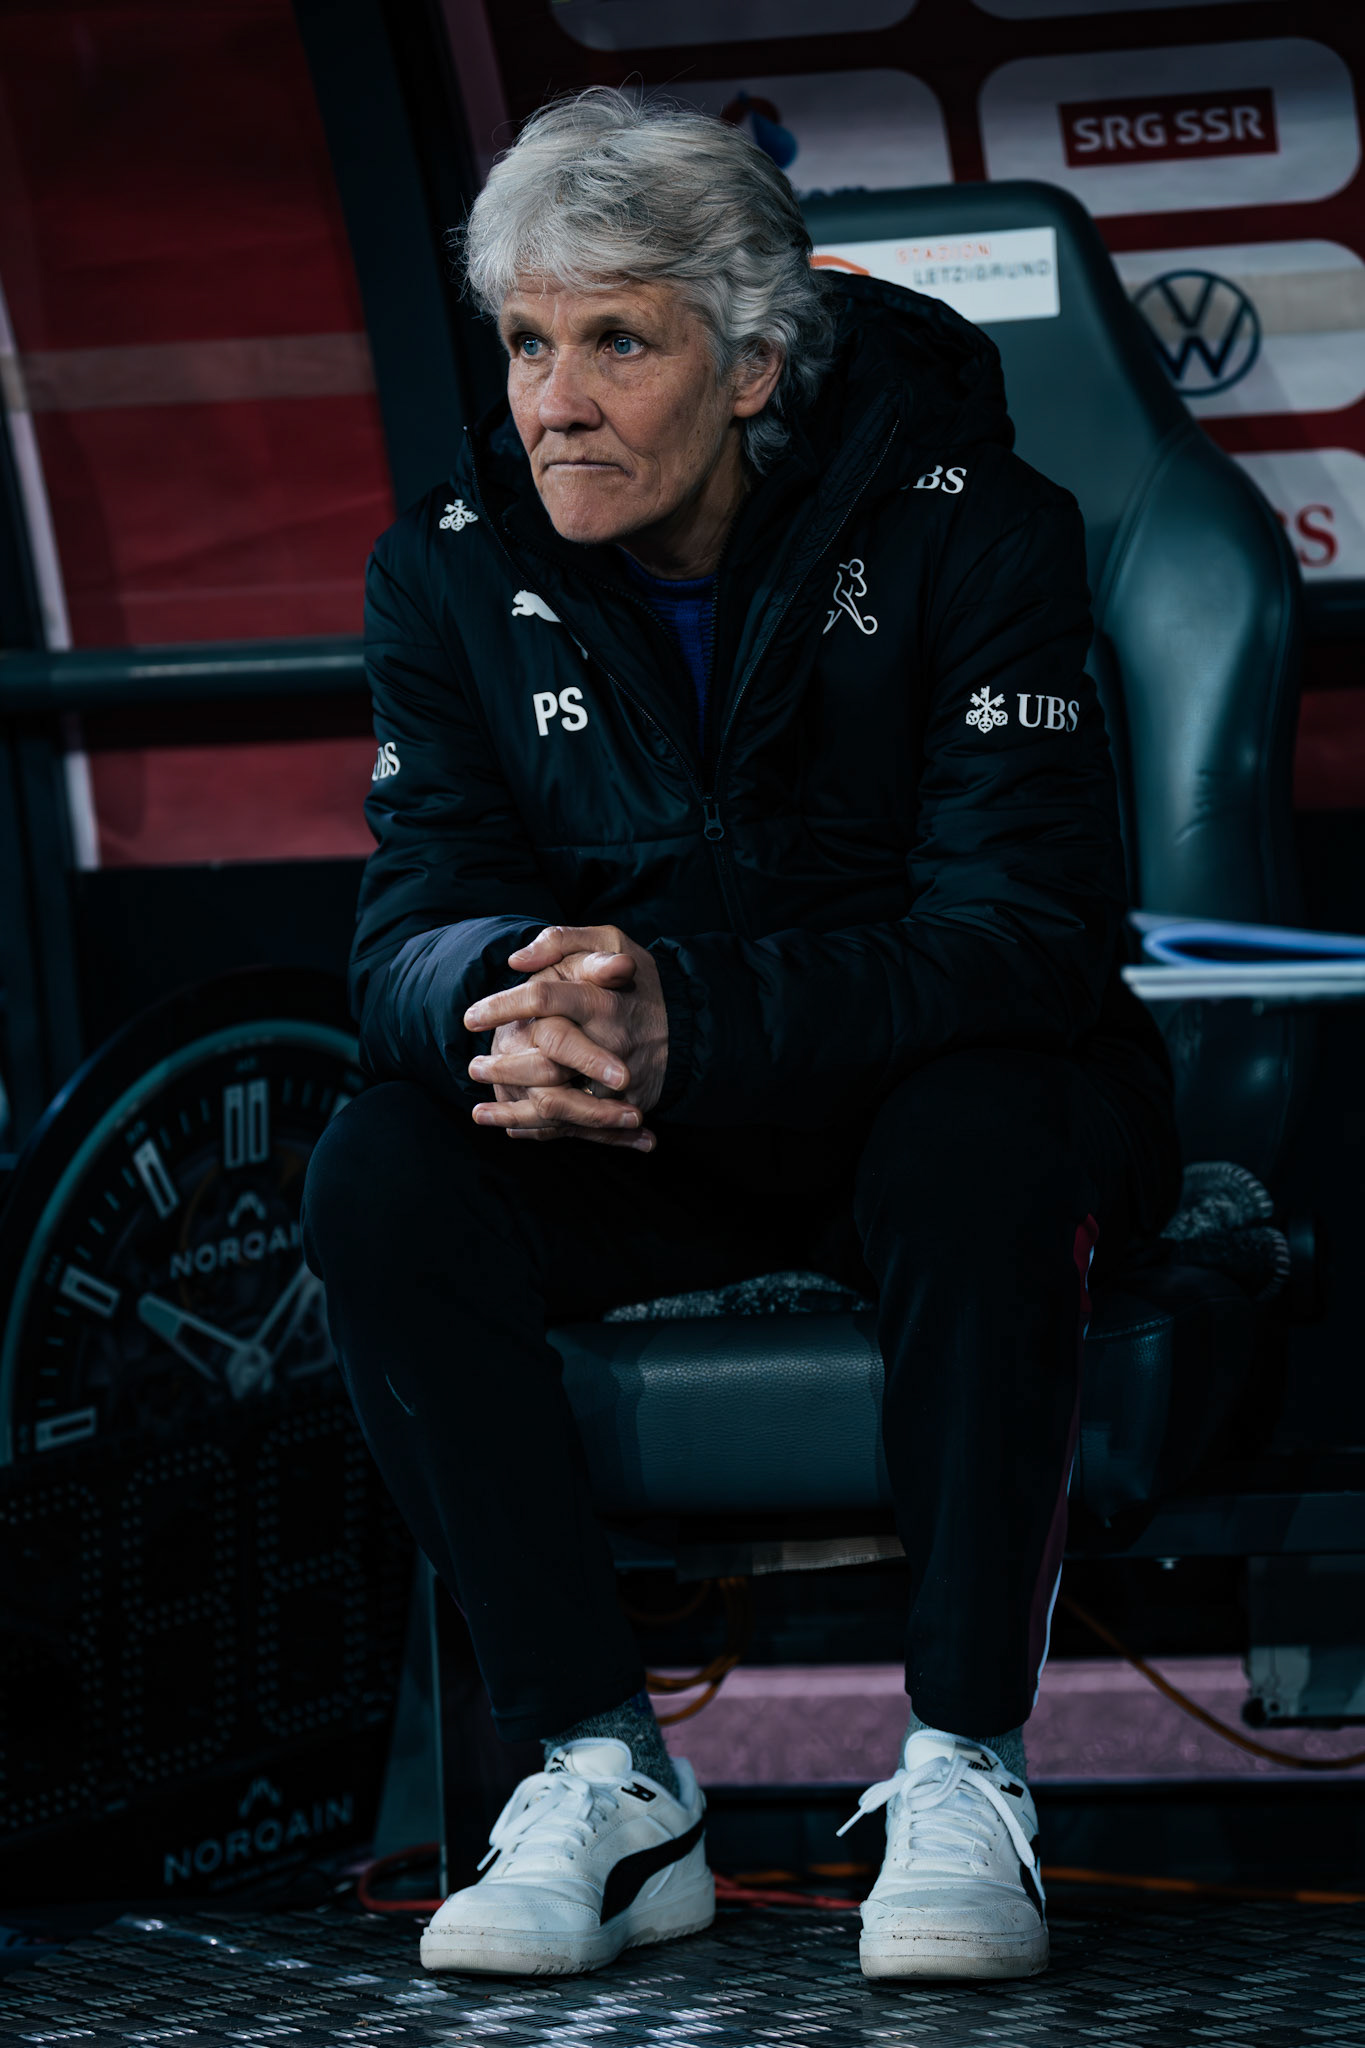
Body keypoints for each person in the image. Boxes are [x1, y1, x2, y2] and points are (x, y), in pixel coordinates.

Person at [301, 86, 1180, 1984]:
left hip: (914, 1112)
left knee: (985, 1133)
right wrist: (502, 998)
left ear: (755, 365)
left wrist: (688, 1018)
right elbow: (404, 927)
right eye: (525, 343)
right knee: (380, 1169)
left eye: (616, 342)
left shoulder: (980, 532)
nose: (552, 401)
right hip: (647, 1136)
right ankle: (603, 1777)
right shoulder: (441, 567)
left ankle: (964, 1765)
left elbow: (1023, 942)